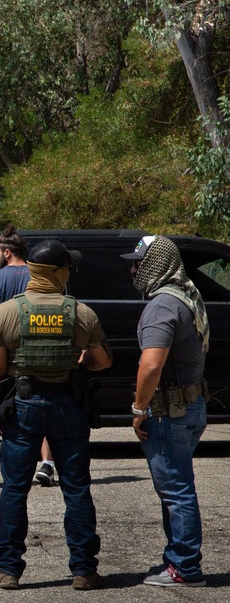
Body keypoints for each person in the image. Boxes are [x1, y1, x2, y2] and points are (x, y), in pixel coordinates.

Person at [0, 240, 112, 591]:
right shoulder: (81, 313)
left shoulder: (7, 313)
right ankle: (84, 571)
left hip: (22, 408)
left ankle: (9, 570)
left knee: (14, 489)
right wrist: (80, 359)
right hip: (68, 407)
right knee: (76, 489)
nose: (70, 271)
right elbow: (103, 362)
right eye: (67, 267)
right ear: (56, 273)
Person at [123, 235, 210, 587]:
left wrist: (139, 408)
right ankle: (178, 559)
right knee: (178, 488)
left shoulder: (161, 305)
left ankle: (185, 568)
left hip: (168, 413)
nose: (133, 269)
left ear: (156, 264)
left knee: (176, 491)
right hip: (191, 406)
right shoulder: (188, 296)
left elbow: (151, 365)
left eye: (138, 263)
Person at [0, 226, 57, 487]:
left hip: (4, 354)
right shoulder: (38, 275)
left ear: (7, 252)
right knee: (42, 406)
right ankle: (47, 466)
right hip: (37, 353)